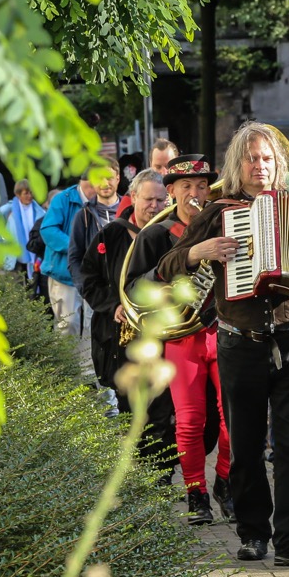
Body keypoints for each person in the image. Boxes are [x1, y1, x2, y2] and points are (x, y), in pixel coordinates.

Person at [158, 121, 289, 567]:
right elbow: (166, 266)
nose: (259, 166)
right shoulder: (219, 212)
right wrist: (199, 252)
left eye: (266, 158)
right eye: (250, 158)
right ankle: (253, 532)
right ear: (237, 165)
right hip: (240, 342)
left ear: (277, 164)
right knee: (245, 443)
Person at [124, 155, 234, 525]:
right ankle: (196, 493)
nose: (195, 193)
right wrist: (169, 279)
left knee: (233, 419)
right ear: (171, 191)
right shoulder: (157, 234)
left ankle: (225, 481)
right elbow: (133, 288)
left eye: (202, 186)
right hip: (182, 338)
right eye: (186, 186)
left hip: (224, 331)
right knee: (188, 422)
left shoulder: (226, 224)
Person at [79, 169, 177, 477]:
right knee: (131, 412)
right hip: (121, 340)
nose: (154, 206)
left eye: (160, 200)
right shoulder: (111, 234)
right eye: (148, 199)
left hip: (164, 336)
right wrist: (113, 306)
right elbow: (88, 279)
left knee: (162, 411)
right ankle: (141, 476)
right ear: (132, 197)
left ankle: (161, 477)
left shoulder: (172, 233)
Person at [40, 172, 97, 336]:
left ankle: (88, 355)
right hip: (64, 274)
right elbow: (48, 230)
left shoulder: (104, 200)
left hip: (93, 275)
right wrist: (77, 247)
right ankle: (66, 355)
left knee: (92, 326)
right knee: (68, 325)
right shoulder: (62, 199)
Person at [69, 155, 121, 294]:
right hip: (98, 294)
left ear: (118, 178)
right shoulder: (84, 216)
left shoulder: (130, 211)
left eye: (109, 178)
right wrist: (86, 289)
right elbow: (74, 258)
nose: (104, 183)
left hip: (129, 291)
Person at [0, 179, 46, 282]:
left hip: (34, 257)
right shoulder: (7, 211)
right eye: (26, 193)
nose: (29, 196)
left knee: (31, 288)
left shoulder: (40, 212)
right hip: (14, 258)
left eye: (31, 193)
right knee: (15, 287)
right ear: (18, 194)